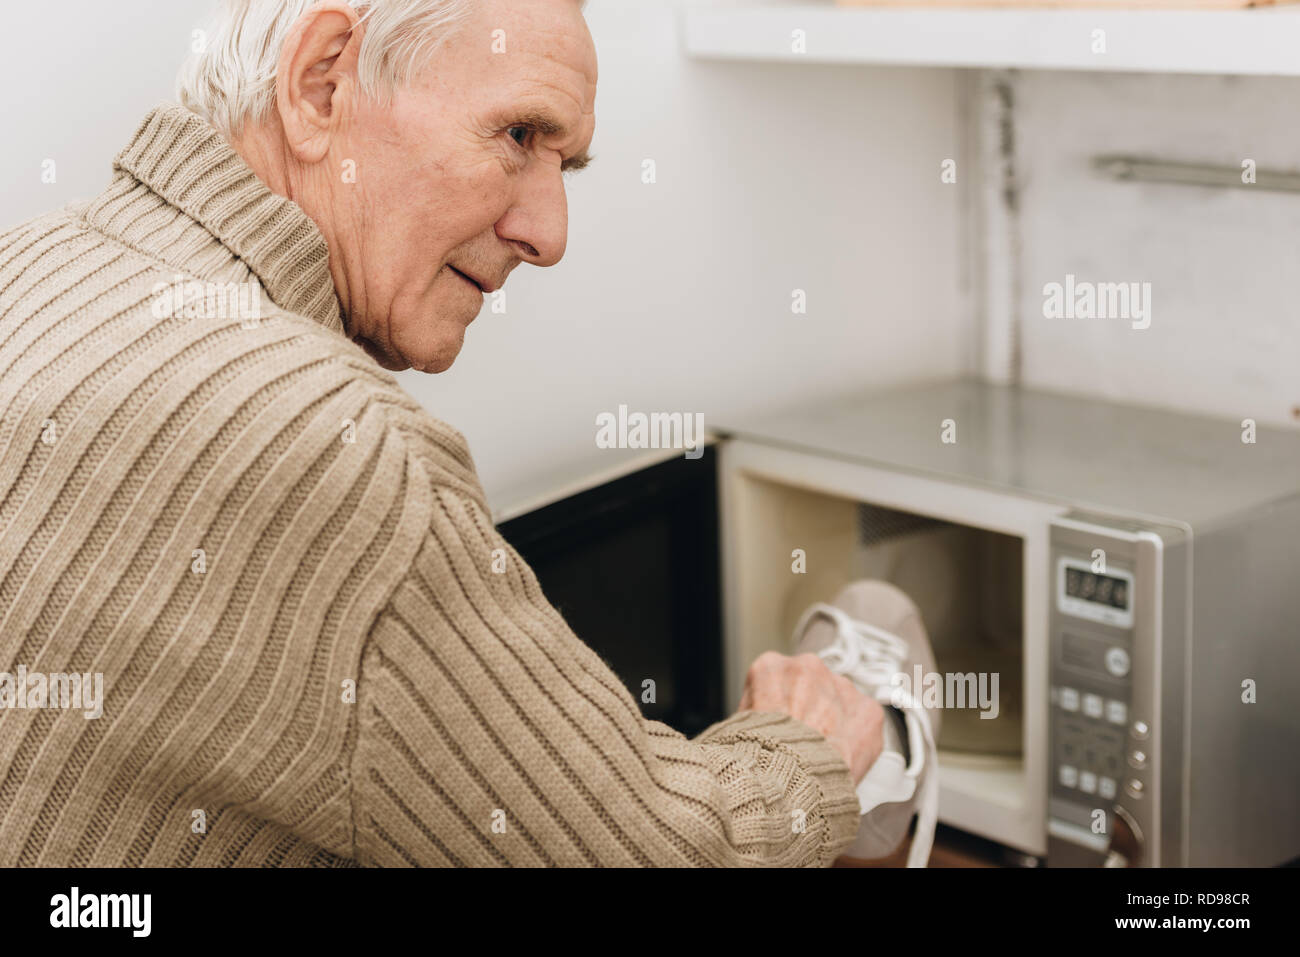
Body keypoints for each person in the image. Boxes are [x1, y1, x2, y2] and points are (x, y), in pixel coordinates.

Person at [0, 0, 934, 867]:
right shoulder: (342, 449)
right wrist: (808, 745)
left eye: (563, 165)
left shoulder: (30, 263)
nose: (551, 233)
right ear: (323, 82)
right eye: (520, 135)